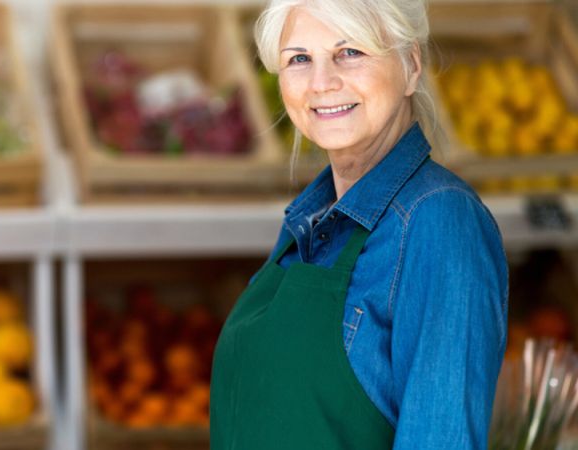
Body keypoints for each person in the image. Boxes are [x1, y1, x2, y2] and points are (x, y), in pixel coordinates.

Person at [209, 0, 508, 449]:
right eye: (300, 59)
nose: (322, 82)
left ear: (410, 66)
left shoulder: (440, 222)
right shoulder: (310, 222)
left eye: (350, 52)